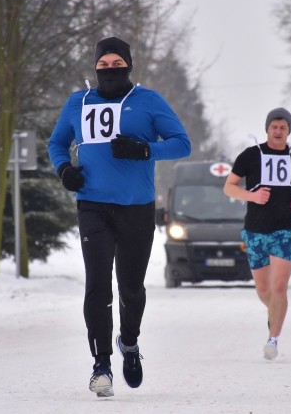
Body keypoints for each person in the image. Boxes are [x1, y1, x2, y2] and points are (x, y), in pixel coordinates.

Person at [47, 36, 191, 397]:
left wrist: (145, 149)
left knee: (131, 288)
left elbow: (181, 143)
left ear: (128, 66)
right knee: (97, 283)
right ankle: (101, 365)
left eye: (117, 64)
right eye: (103, 65)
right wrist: (65, 170)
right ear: (95, 67)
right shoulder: (78, 102)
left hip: (136, 208)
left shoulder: (148, 101)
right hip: (92, 205)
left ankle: (129, 341)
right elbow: (56, 143)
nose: (110, 70)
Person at [223, 107, 291, 360]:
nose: (278, 131)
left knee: (279, 286)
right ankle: (275, 312)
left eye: (283, 127)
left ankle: (273, 339)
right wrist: (252, 195)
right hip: (255, 231)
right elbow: (229, 187)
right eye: (274, 127)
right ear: (267, 129)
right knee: (264, 289)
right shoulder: (251, 155)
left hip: (284, 230)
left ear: (289, 131)